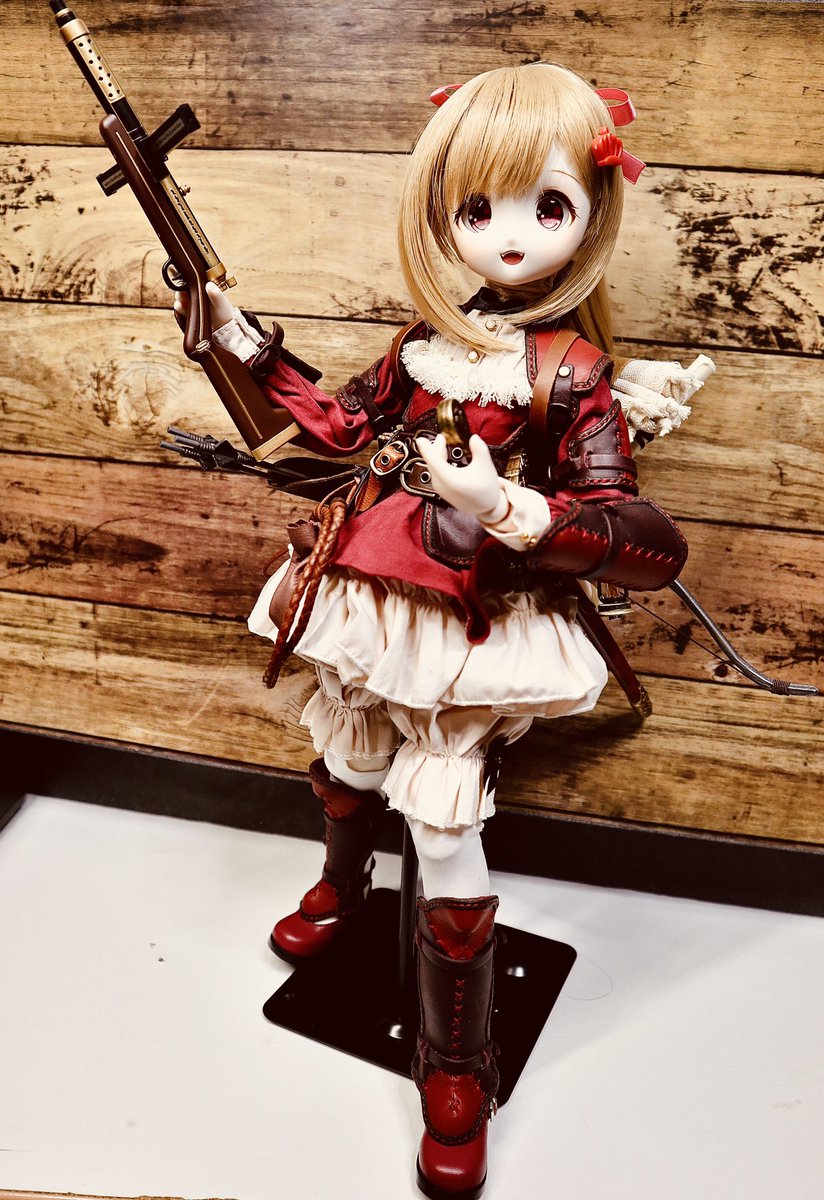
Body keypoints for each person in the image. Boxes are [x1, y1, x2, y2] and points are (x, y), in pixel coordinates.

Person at [176, 62, 712, 1200]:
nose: (508, 236)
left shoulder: (572, 376)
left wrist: (507, 507)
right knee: (344, 748)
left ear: (590, 211)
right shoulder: (425, 342)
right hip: (372, 595)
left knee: (448, 819)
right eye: (477, 208)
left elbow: (635, 533)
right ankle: (341, 890)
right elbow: (342, 423)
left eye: (547, 206)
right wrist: (243, 340)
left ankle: (456, 1062)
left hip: (479, 621)